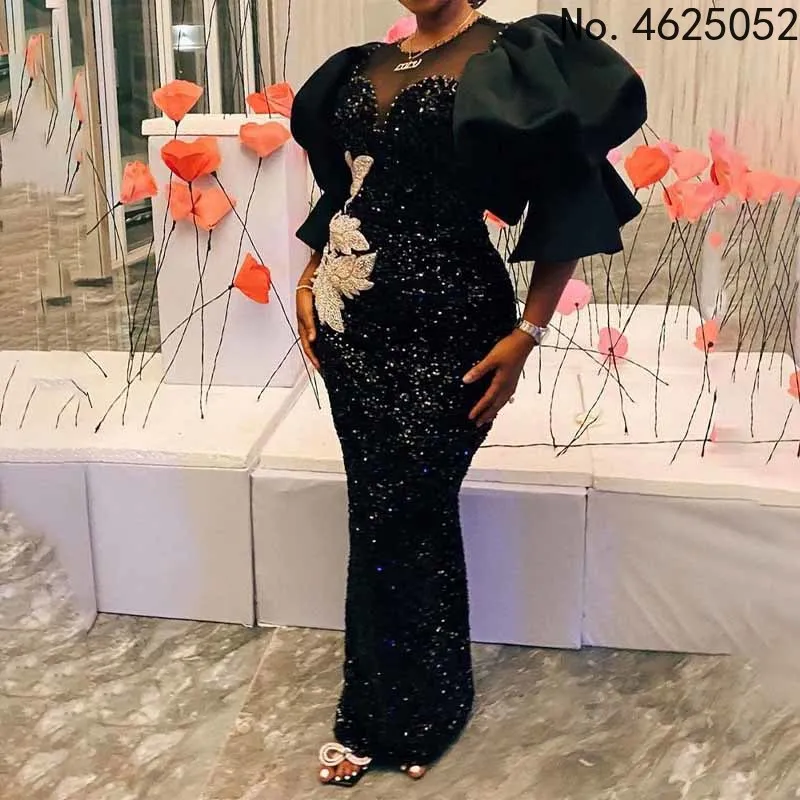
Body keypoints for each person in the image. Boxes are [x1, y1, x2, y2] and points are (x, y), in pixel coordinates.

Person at [291, 0, 646, 786]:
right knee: (382, 512)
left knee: (406, 509)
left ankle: (398, 715)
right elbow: (347, 191)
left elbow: (569, 194)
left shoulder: (515, 57)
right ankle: (409, 708)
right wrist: (311, 275)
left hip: (455, 328)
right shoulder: (362, 66)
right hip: (353, 321)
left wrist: (529, 332)